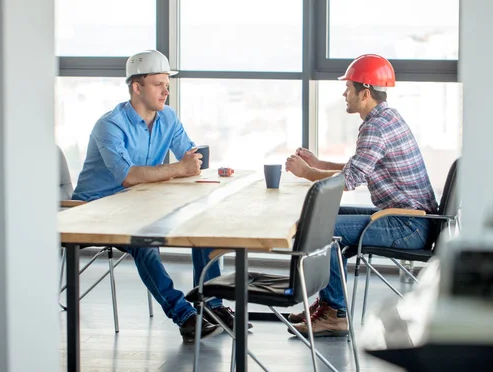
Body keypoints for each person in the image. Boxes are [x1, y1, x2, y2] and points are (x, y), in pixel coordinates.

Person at [72, 50, 248, 343]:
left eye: (167, 83)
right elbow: (128, 176)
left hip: (139, 204)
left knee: (201, 224)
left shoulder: (168, 117)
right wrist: (180, 168)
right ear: (136, 87)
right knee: (144, 244)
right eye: (158, 84)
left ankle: (211, 305)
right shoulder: (110, 125)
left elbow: (190, 157)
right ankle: (183, 315)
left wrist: (203, 166)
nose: (166, 91)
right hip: (95, 211)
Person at [284, 54, 438, 337]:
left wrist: (306, 173)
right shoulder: (386, 118)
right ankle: (330, 306)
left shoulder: (375, 126)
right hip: (410, 219)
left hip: (408, 225)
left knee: (323, 226)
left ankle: (334, 314)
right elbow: (361, 166)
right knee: (325, 217)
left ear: (365, 93)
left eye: (349, 88)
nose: (345, 93)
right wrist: (318, 164)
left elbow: (350, 180)